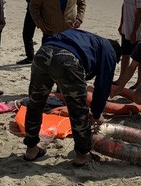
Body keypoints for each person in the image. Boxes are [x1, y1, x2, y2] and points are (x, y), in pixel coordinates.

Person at [22, 29, 122, 166]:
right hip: (67, 60)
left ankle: (31, 149)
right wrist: (97, 112)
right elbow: (103, 85)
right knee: (78, 110)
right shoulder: (110, 51)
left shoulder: (90, 39)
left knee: (35, 103)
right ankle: (82, 155)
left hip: (43, 53)